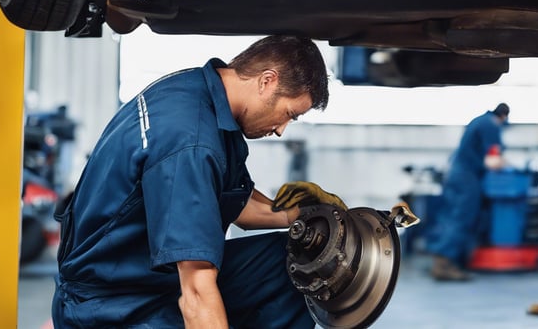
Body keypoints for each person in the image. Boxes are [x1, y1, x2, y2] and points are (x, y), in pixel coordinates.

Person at [51, 35, 346, 328]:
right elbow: (196, 292)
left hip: (145, 275)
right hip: (110, 304)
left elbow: (228, 203)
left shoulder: (198, 91)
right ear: (267, 81)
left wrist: (302, 213)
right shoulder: (191, 143)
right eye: (289, 114)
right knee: (203, 300)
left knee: (289, 263)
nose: (281, 129)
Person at [429, 103, 510, 281]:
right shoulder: (491, 124)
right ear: (503, 117)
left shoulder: (478, 121)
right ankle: (444, 264)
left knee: (452, 218)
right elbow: (492, 161)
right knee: (462, 219)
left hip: (456, 174)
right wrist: (508, 165)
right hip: (467, 178)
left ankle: (443, 260)